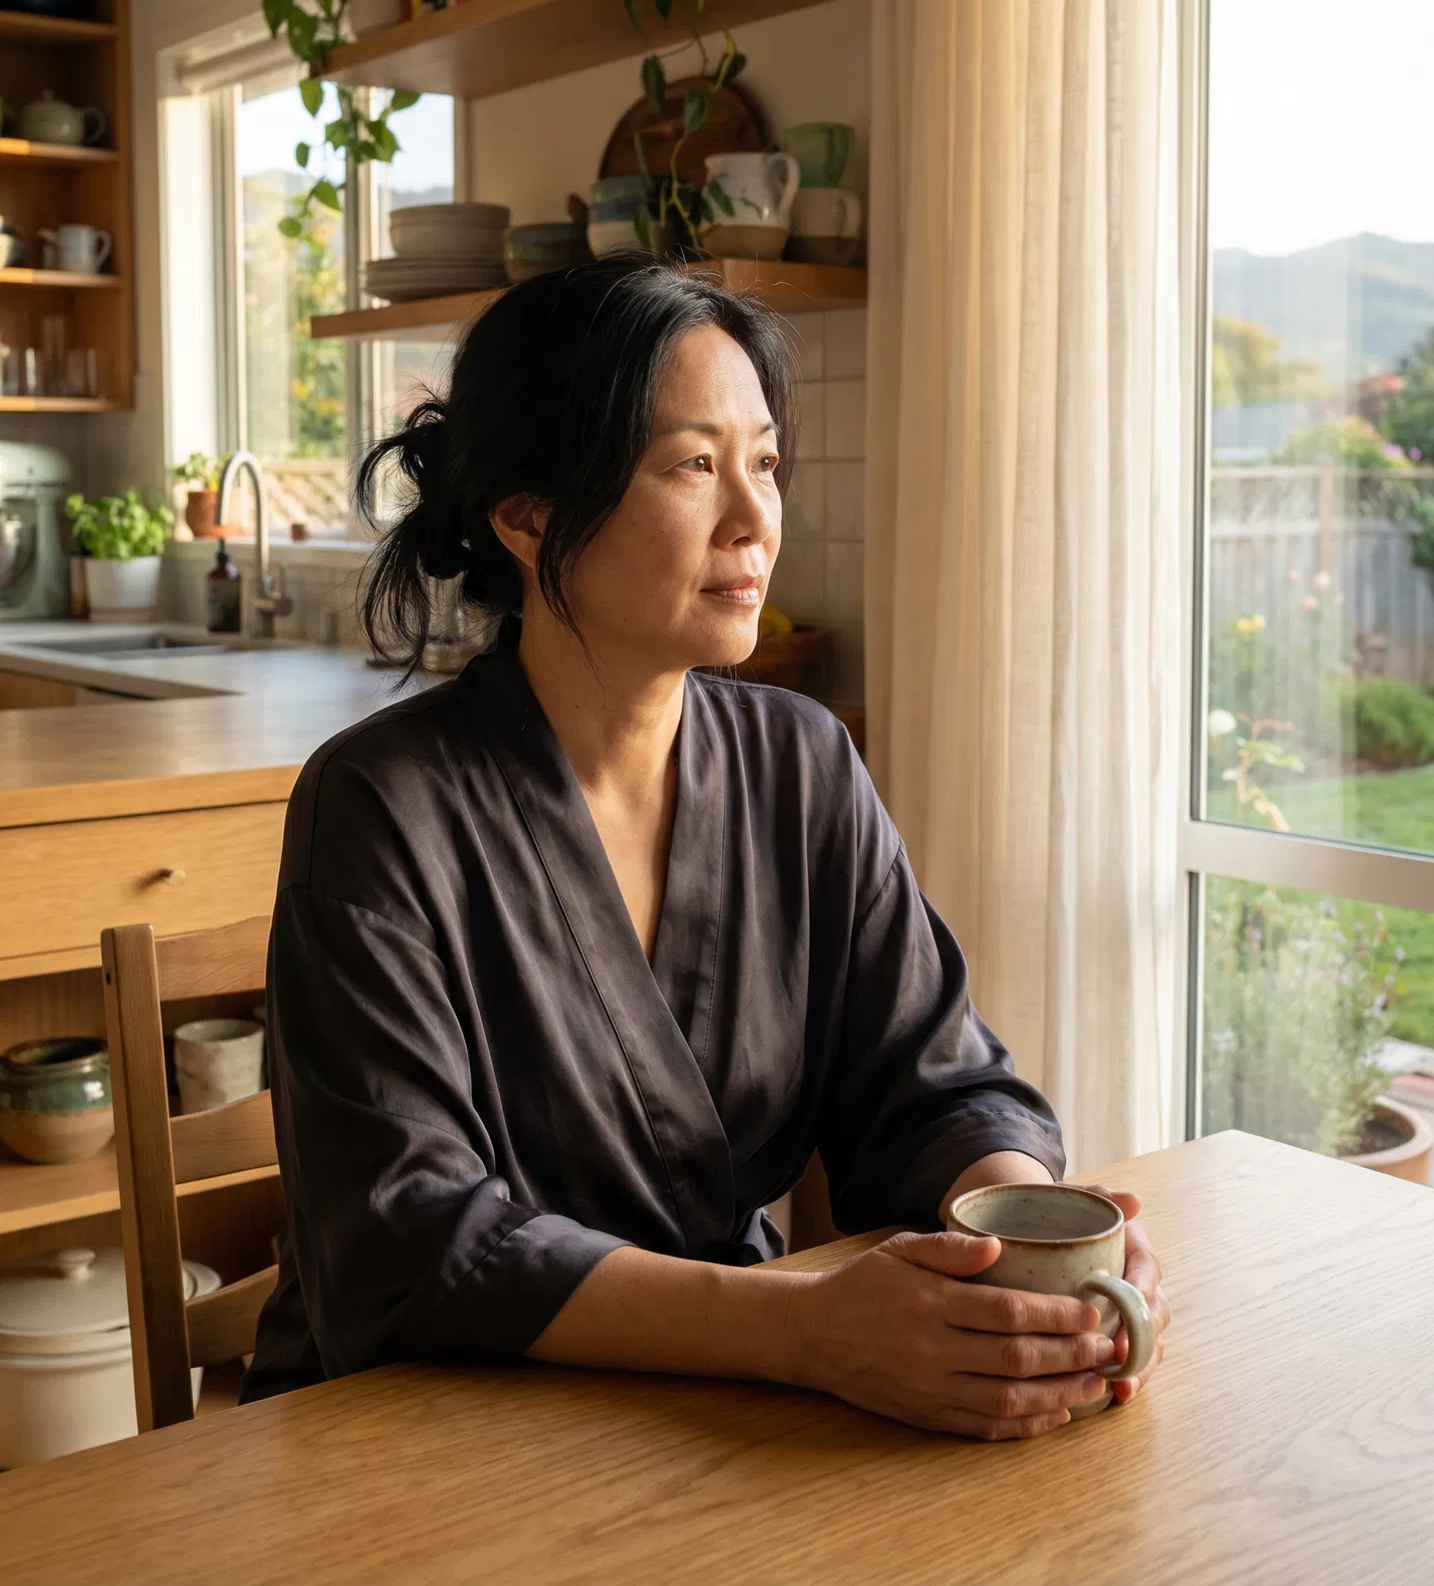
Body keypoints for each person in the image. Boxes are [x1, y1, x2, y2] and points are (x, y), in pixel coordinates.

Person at [241, 259, 1168, 1438]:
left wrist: (1034, 1242)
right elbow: (406, 1243)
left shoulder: (803, 763)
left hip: (712, 1417)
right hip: (419, 1442)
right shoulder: (379, 808)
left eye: (766, 464)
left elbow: (931, 1084)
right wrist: (803, 1328)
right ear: (526, 516)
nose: (757, 519)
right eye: (694, 465)